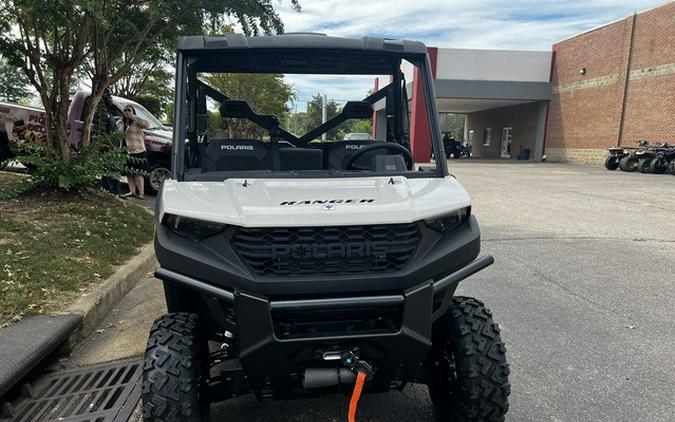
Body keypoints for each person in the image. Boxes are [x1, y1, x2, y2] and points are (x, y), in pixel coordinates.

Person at [121, 104, 149, 199]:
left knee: (138, 173)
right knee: (129, 172)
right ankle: (132, 191)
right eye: (125, 110)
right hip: (126, 150)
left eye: (129, 110)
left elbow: (147, 125)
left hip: (138, 150)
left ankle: (141, 193)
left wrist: (135, 117)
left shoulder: (137, 122)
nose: (127, 112)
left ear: (133, 112)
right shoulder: (121, 123)